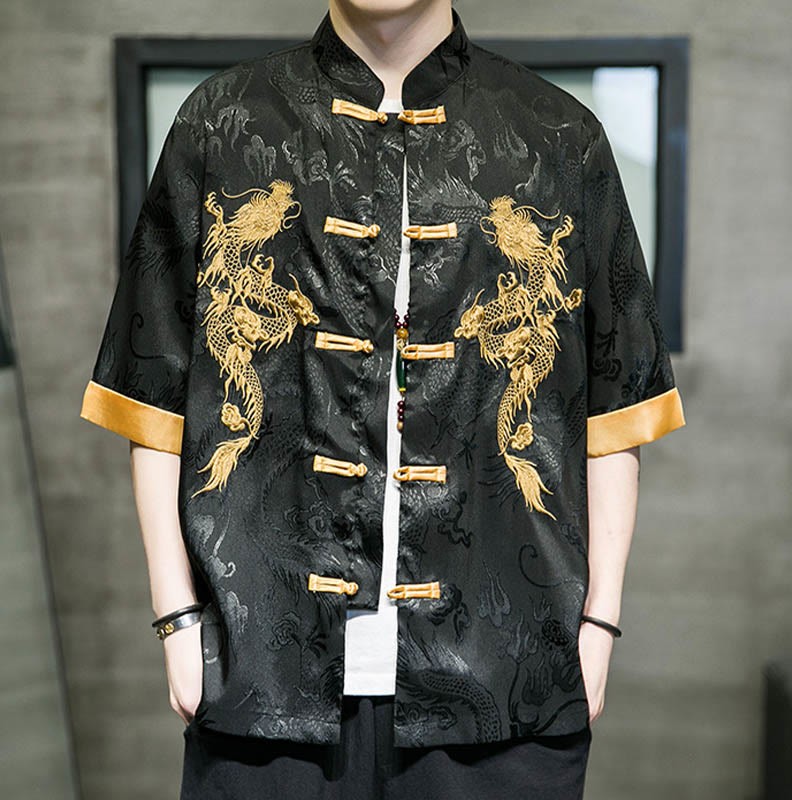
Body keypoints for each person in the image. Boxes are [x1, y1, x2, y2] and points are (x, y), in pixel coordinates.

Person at [79, 0, 686, 797]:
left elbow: (616, 405)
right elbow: (151, 393)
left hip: (505, 682)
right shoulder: (222, 125)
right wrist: (177, 618)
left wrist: (599, 622)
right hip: (264, 676)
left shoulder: (558, 139)